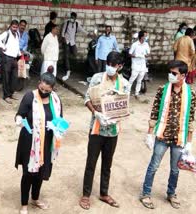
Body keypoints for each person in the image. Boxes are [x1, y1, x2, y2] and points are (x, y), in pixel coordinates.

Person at [140, 60, 196, 210]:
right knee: (153, 166)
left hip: (179, 138)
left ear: (183, 75)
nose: (170, 75)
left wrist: (189, 142)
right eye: (170, 72)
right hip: (162, 136)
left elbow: (191, 119)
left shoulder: (191, 94)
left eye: (174, 73)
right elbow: (154, 112)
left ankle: (171, 193)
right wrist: (149, 134)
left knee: (175, 169)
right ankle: (145, 193)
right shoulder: (162, 90)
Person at [79, 51, 129, 210]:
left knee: (107, 164)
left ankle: (104, 193)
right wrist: (96, 113)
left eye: (113, 65)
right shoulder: (97, 78)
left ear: (120, 66)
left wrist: (116, 117)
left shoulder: (125, 84)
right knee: (91, 163)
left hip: (113, 131)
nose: (110, 67)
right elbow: (87, 98)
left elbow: (124, 107)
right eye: (108, 64)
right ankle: (86, 195)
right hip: (96, 128)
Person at [15, 72, 63, 214]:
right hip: (30, 142)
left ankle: (35, 199)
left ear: (52, 89)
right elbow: (20, 114)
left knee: (41, 172)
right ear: (39, 84)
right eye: (42, 89)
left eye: (47, 91)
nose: (43, 92)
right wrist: (18, 119)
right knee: (29, 173)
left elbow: (60, 119)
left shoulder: (55, 100)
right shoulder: (30, 96)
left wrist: (58, 128)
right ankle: (24, 204)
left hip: (47, 142)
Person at [0, 20, 21, 104]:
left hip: (14, 58)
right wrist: (3, 47)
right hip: (6, 58)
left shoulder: (17, 34)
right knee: (6, 78)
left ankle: (11, 93)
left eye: (16, 27)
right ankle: (6, 96)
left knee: (14, 77)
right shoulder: (7, 33)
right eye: (13, 27)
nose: (15, 29)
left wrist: (19, 53)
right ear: (10, 26)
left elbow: (17, 44)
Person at [61, 12, 91, 81]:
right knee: (66, 56)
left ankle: (70, 64)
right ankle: (68, 70)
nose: (72, 18)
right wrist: (64, 38)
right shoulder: (67, 23)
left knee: (75, 53)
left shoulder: (77, 24)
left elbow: (82, 30)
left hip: (72, 42)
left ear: (75, 18)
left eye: (73, 17)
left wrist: (89, 34)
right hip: (66, 41)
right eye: (71, 17)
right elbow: (63, 32)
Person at [128, 30, 150, 99]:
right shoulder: (135, 44)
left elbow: (148, 53)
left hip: (142, 65)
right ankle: (127, 93)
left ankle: (136, 93)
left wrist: (146, 55)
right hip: (135, 64)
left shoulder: (146, 44)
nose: (146, 37)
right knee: (132, 79)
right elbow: (130, 54)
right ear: (141, 37)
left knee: (140, 80)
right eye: (145, 36)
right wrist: (137, 55)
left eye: (146, 36)